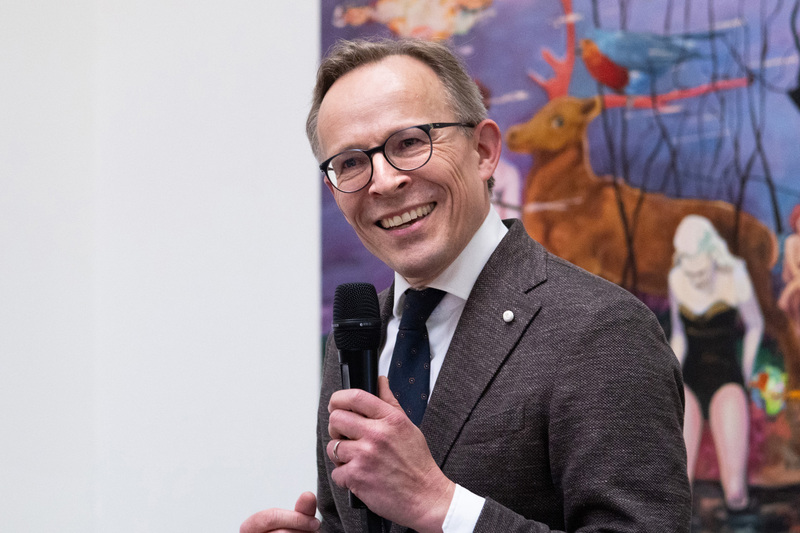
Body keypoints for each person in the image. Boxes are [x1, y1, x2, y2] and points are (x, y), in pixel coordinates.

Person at [242, 37, 691, 533]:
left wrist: (442, 505)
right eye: (350, 162)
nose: (383, 181)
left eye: (409, 142)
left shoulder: (603, 329)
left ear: (483, 151)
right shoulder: (355, 341)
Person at [668, 214, 763, 515]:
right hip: (690, 379)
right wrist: (668, 378)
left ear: (712, 254)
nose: (695, 279)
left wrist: (745, 375)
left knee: (735, 492)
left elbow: (755, 325)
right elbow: (679, 336)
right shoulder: (676, 278)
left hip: (727, 378)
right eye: (690, 272)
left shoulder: (735, 275)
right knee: (678, 490)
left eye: (700, 272)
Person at [779, 204, 800, 337]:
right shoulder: (791, 241)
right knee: (789, 303)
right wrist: (798, 278)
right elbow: (792, 265)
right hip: (794, 279)